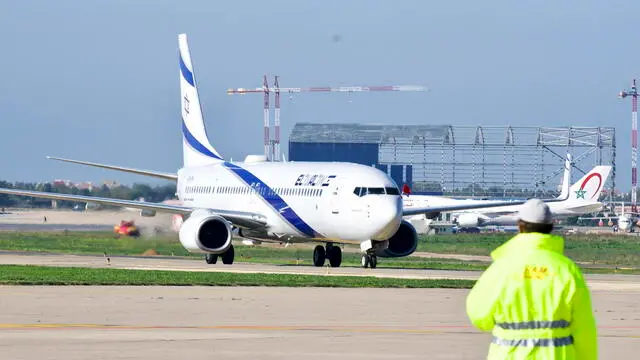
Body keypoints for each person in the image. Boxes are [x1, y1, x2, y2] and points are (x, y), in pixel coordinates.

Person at [466, 198, 597, 359]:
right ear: (551, 227)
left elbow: (479, 316)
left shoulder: (502, 267)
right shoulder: (567, 270)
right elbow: (584, 329)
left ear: (519, 225)